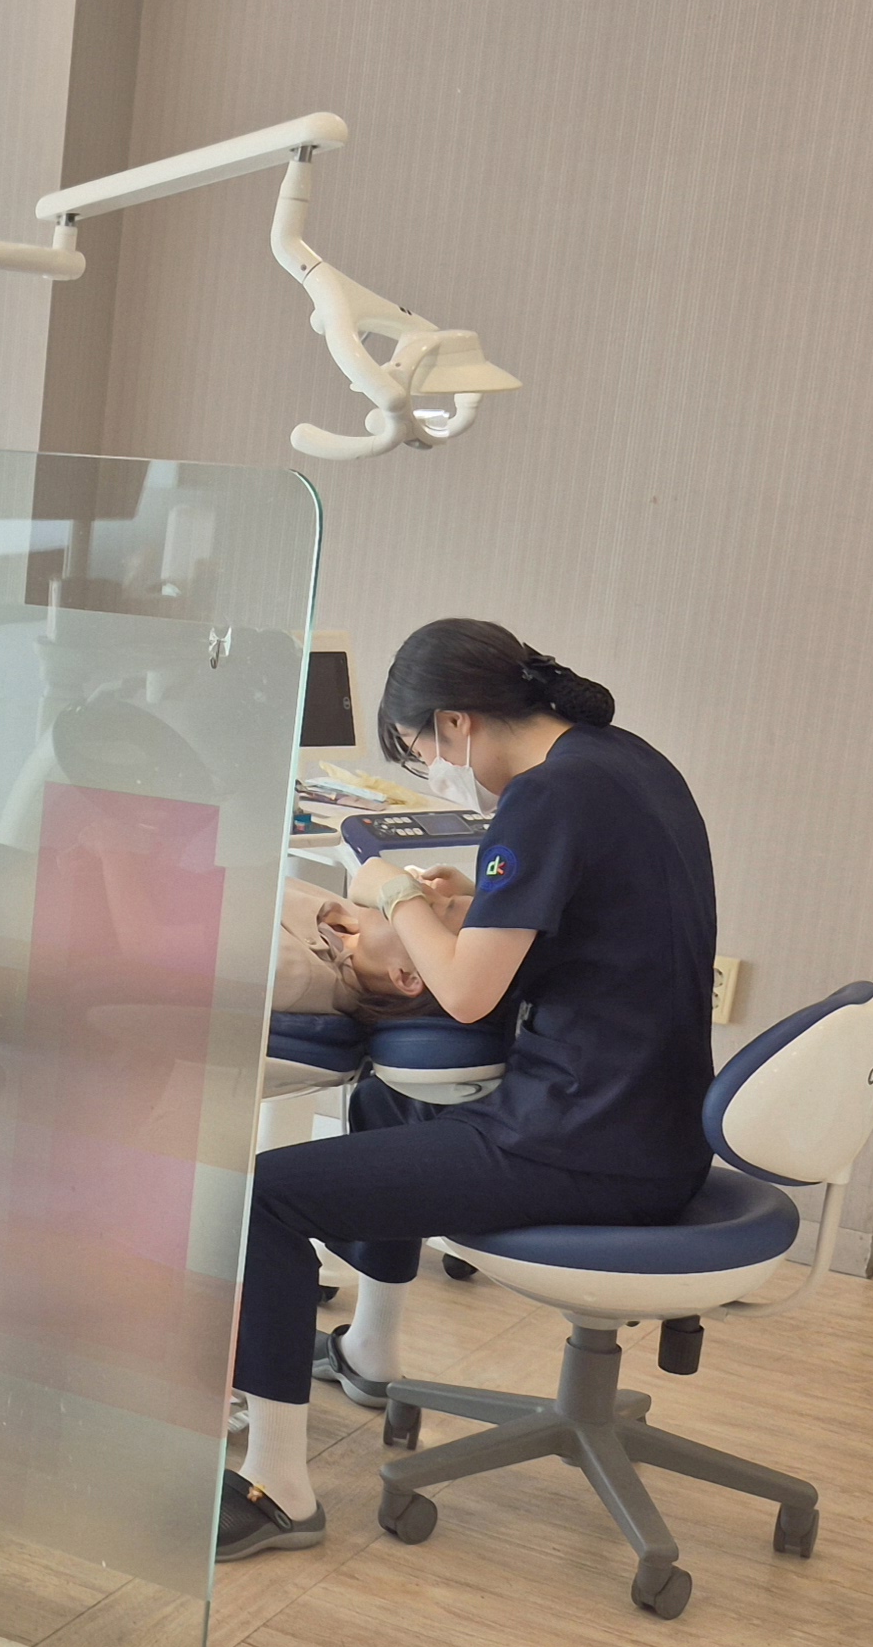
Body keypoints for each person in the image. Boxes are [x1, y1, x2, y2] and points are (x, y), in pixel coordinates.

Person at [224, 618, 717, 1560]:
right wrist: (470, 897)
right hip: (656, 1122)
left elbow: (465, 991)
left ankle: (278, 1489)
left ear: (456, 721)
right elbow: (593, 921)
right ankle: (369, 1351)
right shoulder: (625, 761)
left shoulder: (545, 797)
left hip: (579, 1142)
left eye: (428, 753)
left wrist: (393, 894)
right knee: (385, 1102)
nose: (445, 773)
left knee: (266, 1196)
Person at [277, 875, 465, 1019]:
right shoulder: (357, 922)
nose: (422, 888)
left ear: (406, 977)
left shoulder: (293, 973)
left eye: (427, 907)